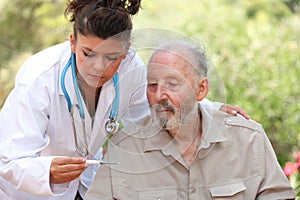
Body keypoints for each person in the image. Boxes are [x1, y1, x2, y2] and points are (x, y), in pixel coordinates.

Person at [0, 1, 248, 200]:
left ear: (127, 51)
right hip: (24, 193)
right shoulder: (39, 78)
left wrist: (207, 107)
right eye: (89, 54)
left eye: (112, 57)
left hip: (85, 187)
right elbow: (8, 161)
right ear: (73, 42)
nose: (99, 67)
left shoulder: (130, 67)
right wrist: (48, 171)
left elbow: (152, 108)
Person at [85, 40, 296, 200]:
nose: (159, 95)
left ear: (201, 89)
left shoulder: (248, 139)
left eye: (173, 83)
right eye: (152, 85)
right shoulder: (123, 148)